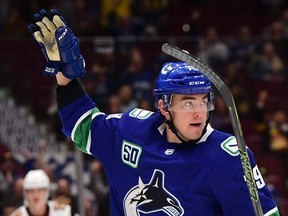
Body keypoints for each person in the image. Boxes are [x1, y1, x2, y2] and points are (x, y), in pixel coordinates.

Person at [28, 9, 280, 215]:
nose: (199, 112)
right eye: (188, 103)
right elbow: (80, 123)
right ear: (164, 107)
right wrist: (66, 76)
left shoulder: (228, 156)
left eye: (204, 101)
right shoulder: (130, 131)